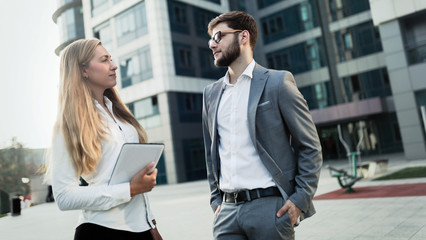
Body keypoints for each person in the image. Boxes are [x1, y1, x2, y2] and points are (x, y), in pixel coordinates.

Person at [202, 11, 323, 239]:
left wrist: (299, 200)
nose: (211, 44)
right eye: (210, 38)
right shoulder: (210, 94)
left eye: (218, 36)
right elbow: (211, 154)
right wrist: (216, 200)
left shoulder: (278, 83)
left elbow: (310, 147)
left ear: (243, 36)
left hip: (271, 209)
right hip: (226, 214)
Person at [46, 38, 158, 240]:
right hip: (101, 231)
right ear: (83, 70)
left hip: (142, 229)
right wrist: (130, 189)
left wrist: (151, 224)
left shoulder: (120, 114)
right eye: (105, 60)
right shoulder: (69, 124)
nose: (114, 65)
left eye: (111, 59)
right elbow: (64, 197)